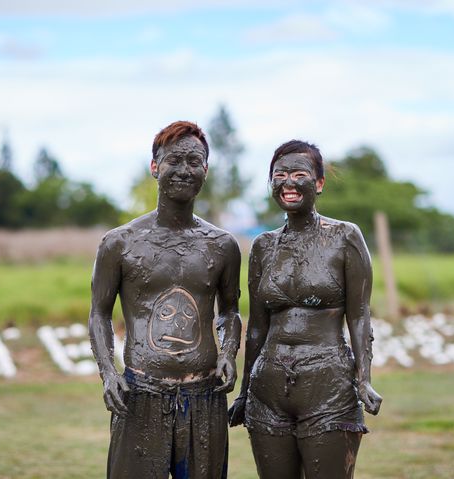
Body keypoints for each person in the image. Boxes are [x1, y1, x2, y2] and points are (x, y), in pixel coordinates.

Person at [89, 121, 242, 479]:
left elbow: (230, 311)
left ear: (205, 170)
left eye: (195, 161)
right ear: (155, 166)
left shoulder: (222, 245)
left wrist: (228, 354)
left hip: (205, 397)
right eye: (175, 161)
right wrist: (108, 372)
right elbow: (99, 313)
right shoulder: (120, 243)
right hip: (141, 393)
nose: (184, 170)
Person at [228, 140, 381, 479]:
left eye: (299, 174)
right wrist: (244, 393)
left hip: (328, 382)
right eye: (279, 175)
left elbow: (359, 315)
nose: (289, 183)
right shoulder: (263, 246)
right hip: (268, 389)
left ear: (319, 183)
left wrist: (364, 379)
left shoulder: (345, 237)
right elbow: (256, 326)